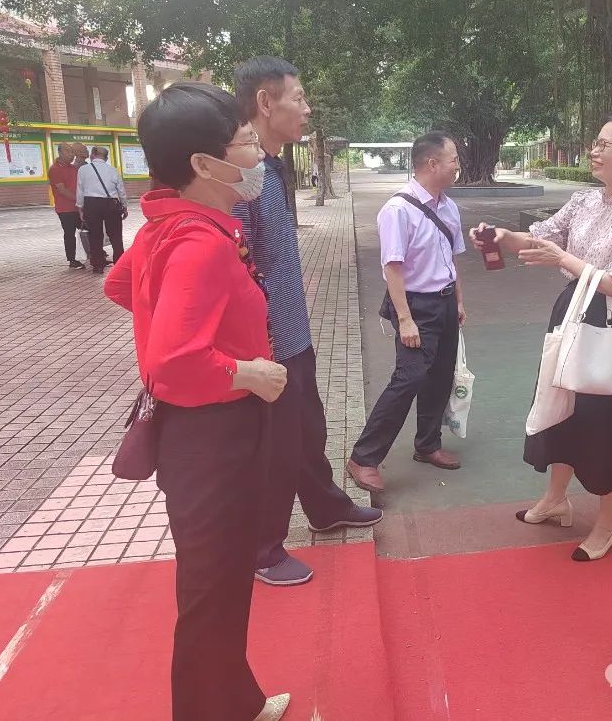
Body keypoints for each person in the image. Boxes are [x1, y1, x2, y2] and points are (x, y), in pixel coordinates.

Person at [104, 82, 292, 721]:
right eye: (244, 143)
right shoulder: (200, 241)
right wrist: (245, 371)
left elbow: (120, 286)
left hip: (200, 435)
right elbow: (173, 363)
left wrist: (178, 319)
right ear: (205, 165)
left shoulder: (170, 224)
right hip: (216, 435)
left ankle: (237, 702)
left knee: (219, 584)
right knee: (214, 592)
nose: (256, 154)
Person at [470, 115, 612, 562]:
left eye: (604, 145)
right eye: (594, 143)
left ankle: (609, 521)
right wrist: (502, 237)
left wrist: (566, 260)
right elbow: (540, 239)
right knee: (559, 403)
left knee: (607, 420)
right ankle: (556, 498)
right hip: (572, 311)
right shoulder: (584, 200)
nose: (594, 151)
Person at [233, 57, 382, 588]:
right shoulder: (242, 176)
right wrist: (258, 347)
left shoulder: (272, 167)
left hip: (292, 331)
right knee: (274, 447)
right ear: (265, 103)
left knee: (307, 429)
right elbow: (237, 266)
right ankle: (261, 549)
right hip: (267, 341)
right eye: (298, 98)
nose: (307, 108)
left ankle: (325, 507)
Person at [347, 131, 468, 494]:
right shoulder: (398, 210)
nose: (458, 166)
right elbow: (393, 268)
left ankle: (427, 444)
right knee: (409, 378)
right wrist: (404, 319)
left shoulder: (448, 206)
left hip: (445, 301)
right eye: (453, 160)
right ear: (432, 164)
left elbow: (452, 260)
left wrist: (458, 301)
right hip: (415, 305)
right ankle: (364, 458)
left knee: (440, 376)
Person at [77, 146, 127, 273]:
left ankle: (98, 265)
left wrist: (80, 207)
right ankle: (120, 264)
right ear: (106, 157)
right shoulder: (113, 170)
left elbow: (80, 190)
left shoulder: (83, 170)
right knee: (116, 235)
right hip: (111, 204)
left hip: (91, 204)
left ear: (93, 154)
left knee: (95, 235)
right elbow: (121, 189)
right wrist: (124, 206)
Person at [48, 142, 84, 269]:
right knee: (69, 234)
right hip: (65, 209)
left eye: (72, 151)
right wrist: (78, 200)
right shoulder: (54, 169)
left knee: (88, 229)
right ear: (60, 153)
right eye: (68, 151)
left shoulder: (74, 168)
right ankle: (72, 260)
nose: (72, 154)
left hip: (78, 207)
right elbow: (62, 190)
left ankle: (93, 254)